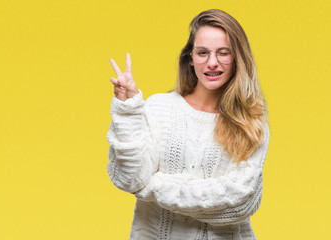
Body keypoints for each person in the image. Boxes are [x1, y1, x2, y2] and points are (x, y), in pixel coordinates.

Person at [106, 9, 270, 240]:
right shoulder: (159, 108)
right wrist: (128, 111)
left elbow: (238, 204)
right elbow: (129, 178)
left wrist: (151, 187)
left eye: (223, 53)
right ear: (190, 58)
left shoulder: (250, 121)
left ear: (237, 58)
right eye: (202, 52)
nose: (212, 62)